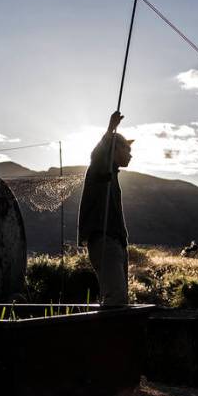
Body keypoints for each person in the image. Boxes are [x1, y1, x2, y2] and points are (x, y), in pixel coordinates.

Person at [77, 111, 133, 306]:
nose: (130, 153)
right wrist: (110, 129)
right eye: (127, 148)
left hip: (114, 242)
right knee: (116, 299)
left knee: (118, 299)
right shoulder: (99, 169)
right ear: (114, 149)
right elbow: (98, 154)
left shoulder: (110, 175)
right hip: (105, 240)